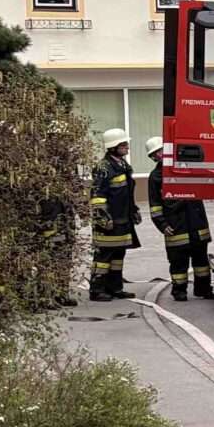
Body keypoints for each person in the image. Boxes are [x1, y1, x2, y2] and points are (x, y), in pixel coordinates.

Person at [144, 136, 214, 303]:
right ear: (153, 157)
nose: (161, 155)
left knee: (202, 262)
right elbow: (155, 205)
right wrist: (162, 225)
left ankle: (203, 289)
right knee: (178, 263)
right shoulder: (155, 177)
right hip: (176, 226)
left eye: (162, 150)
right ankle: (179, 291)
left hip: (197, 224)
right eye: (157, 153)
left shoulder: (186, 168)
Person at [88, 128, 139, 301]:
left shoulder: (123, 166)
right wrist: (102, 217)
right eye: (123, 144)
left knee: (118, 255)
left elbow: (126, 194)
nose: (127, 147)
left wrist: (134, 211)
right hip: (108, 221)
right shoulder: (103, 168)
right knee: (103, 256)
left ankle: (115, 288)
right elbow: (97, 195)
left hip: (122, 219)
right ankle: (97, 290)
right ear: (113, 147)